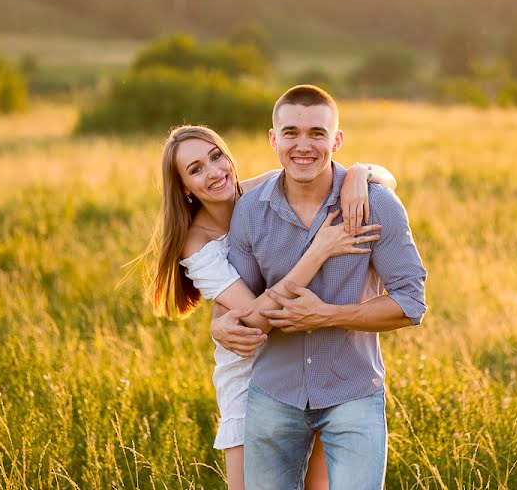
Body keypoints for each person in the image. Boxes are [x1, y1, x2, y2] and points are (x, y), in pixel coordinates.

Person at [139, 124, 398, 490]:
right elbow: (260, 320)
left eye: (216, 157)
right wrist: (320, 250)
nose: (214, 172)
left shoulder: (264, 190)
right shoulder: (197, 243)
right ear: (183, 186)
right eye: (195, 169)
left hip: (308, 355)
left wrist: (359, 174)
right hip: (249, 371)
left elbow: (385, 179)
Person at [212, 85, 427, 489]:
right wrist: (218, 322)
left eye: (317, 133)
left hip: (353, 392)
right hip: (274, 394)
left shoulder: (377, 205)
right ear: (273, 139)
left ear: (337, 140)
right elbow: (236, 299)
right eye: (291, 133)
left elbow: (411, 301)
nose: (303, 145)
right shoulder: (250, 211)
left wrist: (327, 315)